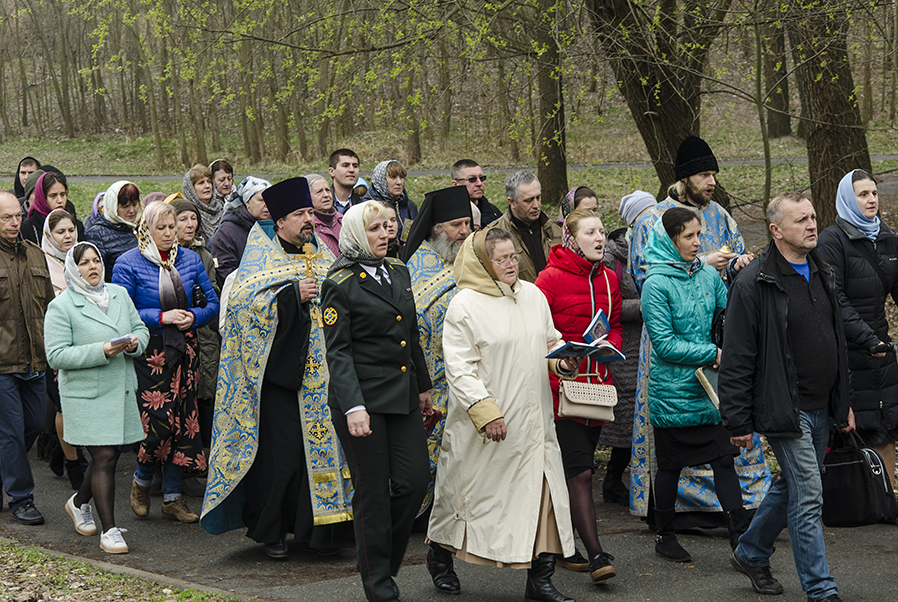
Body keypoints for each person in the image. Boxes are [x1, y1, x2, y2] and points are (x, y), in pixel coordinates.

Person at [203, 177, 352, 558]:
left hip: (325, 378)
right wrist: (289, 297)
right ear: (280, 221)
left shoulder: (323, 256)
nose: (309, 220)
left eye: (310, 213)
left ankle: (319, 534)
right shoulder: (259, 260)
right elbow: (242, 311)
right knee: (283, 458)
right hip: (279, 378)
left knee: (323, 454)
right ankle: (272, 531)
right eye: (300, 214)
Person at [428, 227, 578, 602]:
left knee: (544, 494)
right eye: (502, 259)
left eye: (514, 256)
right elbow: (460, 369)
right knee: (466, 498)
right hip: (489, 427)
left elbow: (550, 341)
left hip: (535, 422)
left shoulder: (533, 295)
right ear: (483, 262)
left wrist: (564, 361)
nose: (512, 264)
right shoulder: (465, 305)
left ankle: (540, 581)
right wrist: (486, 411)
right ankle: (441, 554)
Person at [628, 137, 769, 529]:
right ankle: (672, 516)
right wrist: (702, 262)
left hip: (713, 336)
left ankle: (740, 513)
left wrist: (737, 265)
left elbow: (734, 265)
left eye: (713, 174)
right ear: (685, 177)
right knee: (673, 446)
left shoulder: (720, 215)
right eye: (704, 174)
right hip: (670, 340)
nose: (711, 182)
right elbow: (642, 275)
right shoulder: (654, 219)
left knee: (723, 431)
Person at [720, 192, 855, 602]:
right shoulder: (753, 282)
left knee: (791, 486)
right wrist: (737, 420)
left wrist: (843, 400)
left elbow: (836, 341)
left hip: (823, 404)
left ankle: (750, 551)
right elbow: (737, 357)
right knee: (809, 493)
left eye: (813, 217)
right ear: (776, 230)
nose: (812, 225)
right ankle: (821, 589)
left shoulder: (823, 270)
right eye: (801, 220)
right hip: (785, 408)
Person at [322, 200, 432, 602]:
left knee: (414, 481)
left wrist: (423, 386)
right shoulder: (339, 283)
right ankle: (378, 583)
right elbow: (338, 352)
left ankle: (378, 557)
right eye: (374, 229)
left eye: (387, 227)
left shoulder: (399, 271)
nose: (385, 234)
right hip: (361, 402)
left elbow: (411, 334)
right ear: (355, 234)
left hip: (402, 394)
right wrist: (354, 406)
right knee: (372, 491)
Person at [641, 208, 749, 562]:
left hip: (709, 391)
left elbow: (727, 316)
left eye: (698, 234)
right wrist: (711, 352)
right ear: (670, 240)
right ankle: (665, 535)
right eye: (688, 236)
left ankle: (742, 541)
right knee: (671, 466)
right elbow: (664, 344)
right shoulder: (656, 284)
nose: (698, 242)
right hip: (673, 394)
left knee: (724, 460)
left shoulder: (706, 274)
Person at [111, 202, 219, 524]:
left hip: (185, 348)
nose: (170, 233)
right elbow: (122, 310)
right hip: (150, 351)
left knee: (183, 423)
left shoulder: (190, 259)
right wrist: (162, 317)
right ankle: (142, 480)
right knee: (158, 424)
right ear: (146, 229)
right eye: (162, 228)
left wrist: (193, 317)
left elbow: (212, 302)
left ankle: (173, 497)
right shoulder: (128, 262)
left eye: (172, 227)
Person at [44, 242, 149, 553]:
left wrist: (135, 344)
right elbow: (56, 355)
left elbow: (140, 329)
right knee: (104, 457)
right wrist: (101, 350)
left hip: (120, 390)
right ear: (73, 269)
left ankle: (79, 503)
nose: (93, 267)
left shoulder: (119, 294)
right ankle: (110, 530)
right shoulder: (61, 306)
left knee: (110, 454)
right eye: (84, 263)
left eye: (96, 261)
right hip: (86, 395)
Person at [535, 208, 621, 582]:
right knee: (581, 471)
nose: (600, 238)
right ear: (571, 238)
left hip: (597, 390)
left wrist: (609, 345)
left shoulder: (610, 279)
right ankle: (597, 554)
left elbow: (615, 326)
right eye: (590, 232)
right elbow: (537, 331)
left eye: (602, 231)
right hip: (560, 391)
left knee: (572, 473)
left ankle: (560, 547)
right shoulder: (548, 278)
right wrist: (561, 356)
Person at [401, 185, 472, 594]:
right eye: (456, 224)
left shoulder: (470, 261)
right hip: (429, 384)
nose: (463, 231)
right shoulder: (417, 267)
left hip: (465, 380)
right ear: (436, 228)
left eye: (467, 223)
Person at [818, 170, 898, 481]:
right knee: (850, 431)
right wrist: (867, 338)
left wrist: (877, 342)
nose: (871, 199)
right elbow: (835, 299)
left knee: (885, 427)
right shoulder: (831, 241)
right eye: (863, 194)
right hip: (846, 352)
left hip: (881, 353)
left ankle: (884, 497)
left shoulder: (888, 238)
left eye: (874, 193)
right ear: (848, 199)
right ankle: (849, 497)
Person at [0, 191, 55, 525]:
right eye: (6, 218)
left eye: (17, 216)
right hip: (2, 363)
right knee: (10, 431)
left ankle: (5, 471)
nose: (13, 223)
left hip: (35, 360)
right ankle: (21, 498)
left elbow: (50, 308)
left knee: (34, 424)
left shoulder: (35, 254)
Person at [598, 191, 656, 506]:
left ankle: (634, 478)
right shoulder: (613, 257)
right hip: (626, 348)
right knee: (625, 417)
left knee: (641, 416)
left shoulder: (658, 247)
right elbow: (607, 306)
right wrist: (645, 306)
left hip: (652, 344)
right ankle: (612, 479)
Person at [169, 197, 221, 454]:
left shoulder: (204, 255)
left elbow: (215, 294)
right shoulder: (163, 255)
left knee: (205, 394)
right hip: (175, 333)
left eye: (193, 219)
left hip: (204, 333)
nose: (190, 224)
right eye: (183, 219)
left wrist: (205, 295)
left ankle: (201, 455)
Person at [41, 209, 88, 489]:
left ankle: (59, 450)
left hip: (84, 341)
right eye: (60, 232)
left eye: (71, 230)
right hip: (55, 341)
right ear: (50, 235)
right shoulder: (41, 262)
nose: (68, 236)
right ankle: (74, 463)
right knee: (63, 404)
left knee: (79, 404)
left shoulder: (83, 256)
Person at [491, 170, 561, 283]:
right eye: (529, 200)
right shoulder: (494, 235)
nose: (536, 205)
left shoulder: (556, 230)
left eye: (538, 197)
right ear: (512, 202)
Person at [207, 176, 271, 286]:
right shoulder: (226, 232)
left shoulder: (277, 226)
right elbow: (225, 274)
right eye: (261, 200)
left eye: (269, 200)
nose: (266, 205)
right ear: (247, 203)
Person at [85, 181, 143, 281]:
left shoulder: (142, 226)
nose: (132, 210)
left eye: (135, 204)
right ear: (113, 206)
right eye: (125, 206)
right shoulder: (97, 234)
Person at [22, 171, 85, 245]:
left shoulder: (75, 226)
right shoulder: (28, 229)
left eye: (62, 194)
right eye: (53, 195)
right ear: (42, 198)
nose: (60, 200)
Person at [364, 159, 418, 244]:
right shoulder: (366, 207)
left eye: (401, 177)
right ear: (381, 179)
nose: (399, 182)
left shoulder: (409, 206)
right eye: (393, 177)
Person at [450, 159, 502, 227]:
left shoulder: (493, 211)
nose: (479, 183)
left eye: (481, 178)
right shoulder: (447, 215)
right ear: (455, 184)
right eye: (472, 179)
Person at [182, 164, 222, 240]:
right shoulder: (187, 215)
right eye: (201, 183)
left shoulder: (223, 207)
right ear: (191, 189)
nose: (207, 186)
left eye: (209, 181)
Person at [307, 173, 342, 256]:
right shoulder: (307, 225)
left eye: (327, 190)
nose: (326, 195)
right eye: (319, 192)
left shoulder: (342, 220)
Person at [328, 149, 363, 214]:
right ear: (332, 171)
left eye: (355, 166)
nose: (352, 170)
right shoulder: (321, 204)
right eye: (345, 166)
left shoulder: (364, 206)